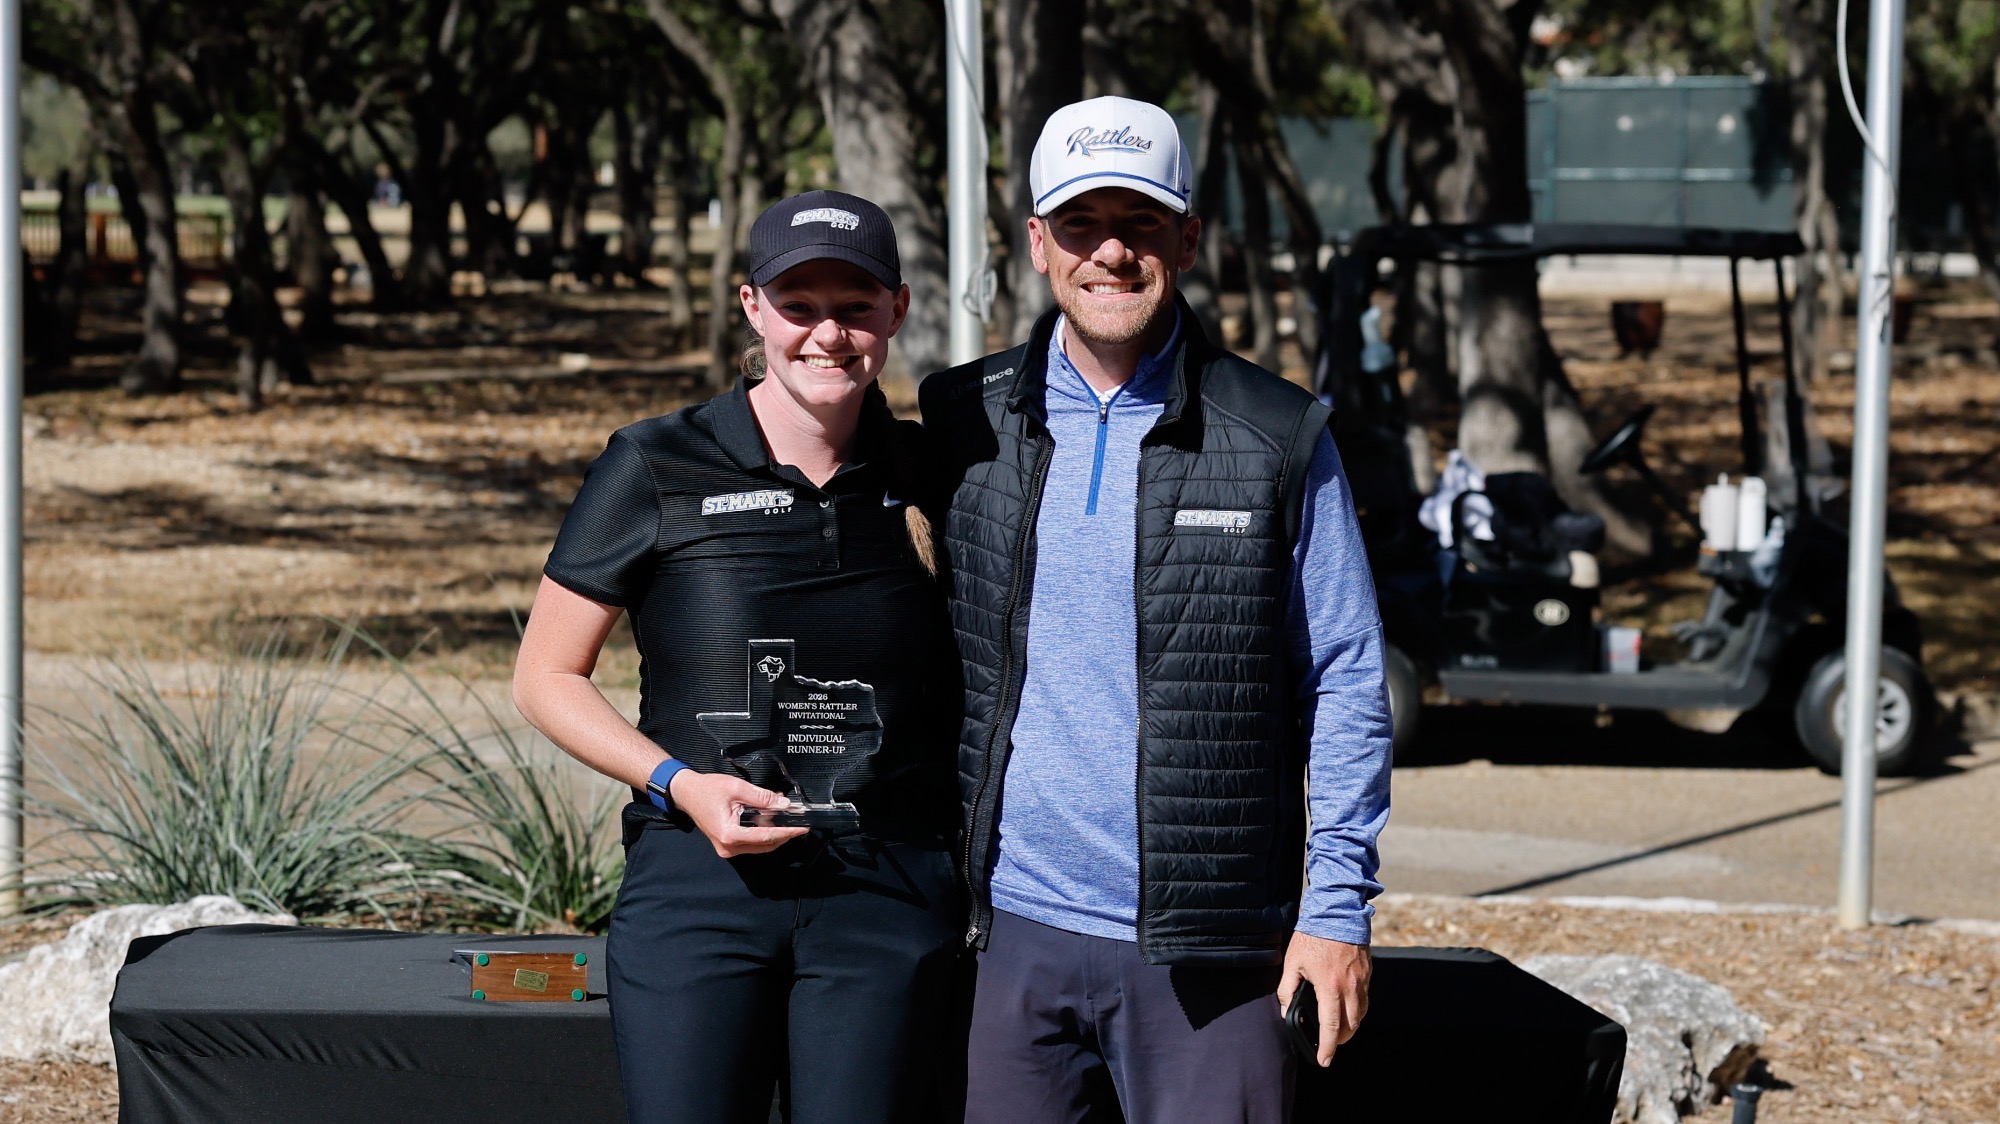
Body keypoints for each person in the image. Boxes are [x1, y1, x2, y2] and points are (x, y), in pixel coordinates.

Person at [918, 96, 1392, 1122]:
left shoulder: (1277, 433)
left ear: (1186, 235)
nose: (1111, 254)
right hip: (1005, 933)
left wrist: (1335, 903)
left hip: (1212, 952)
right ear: (1037, 243)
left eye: (1139, 223)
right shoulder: (963, 416)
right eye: (1081, 225)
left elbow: (1347, 678)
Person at [514, 189, 962, 1124]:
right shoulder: (653, 462)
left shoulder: (937, 473)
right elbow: (546, 676)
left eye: (855, 306)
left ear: (898, 311)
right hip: (698, 887)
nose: (828, 334)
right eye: (799, 306)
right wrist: (679, 783)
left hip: (884, 889)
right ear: (753, 308)